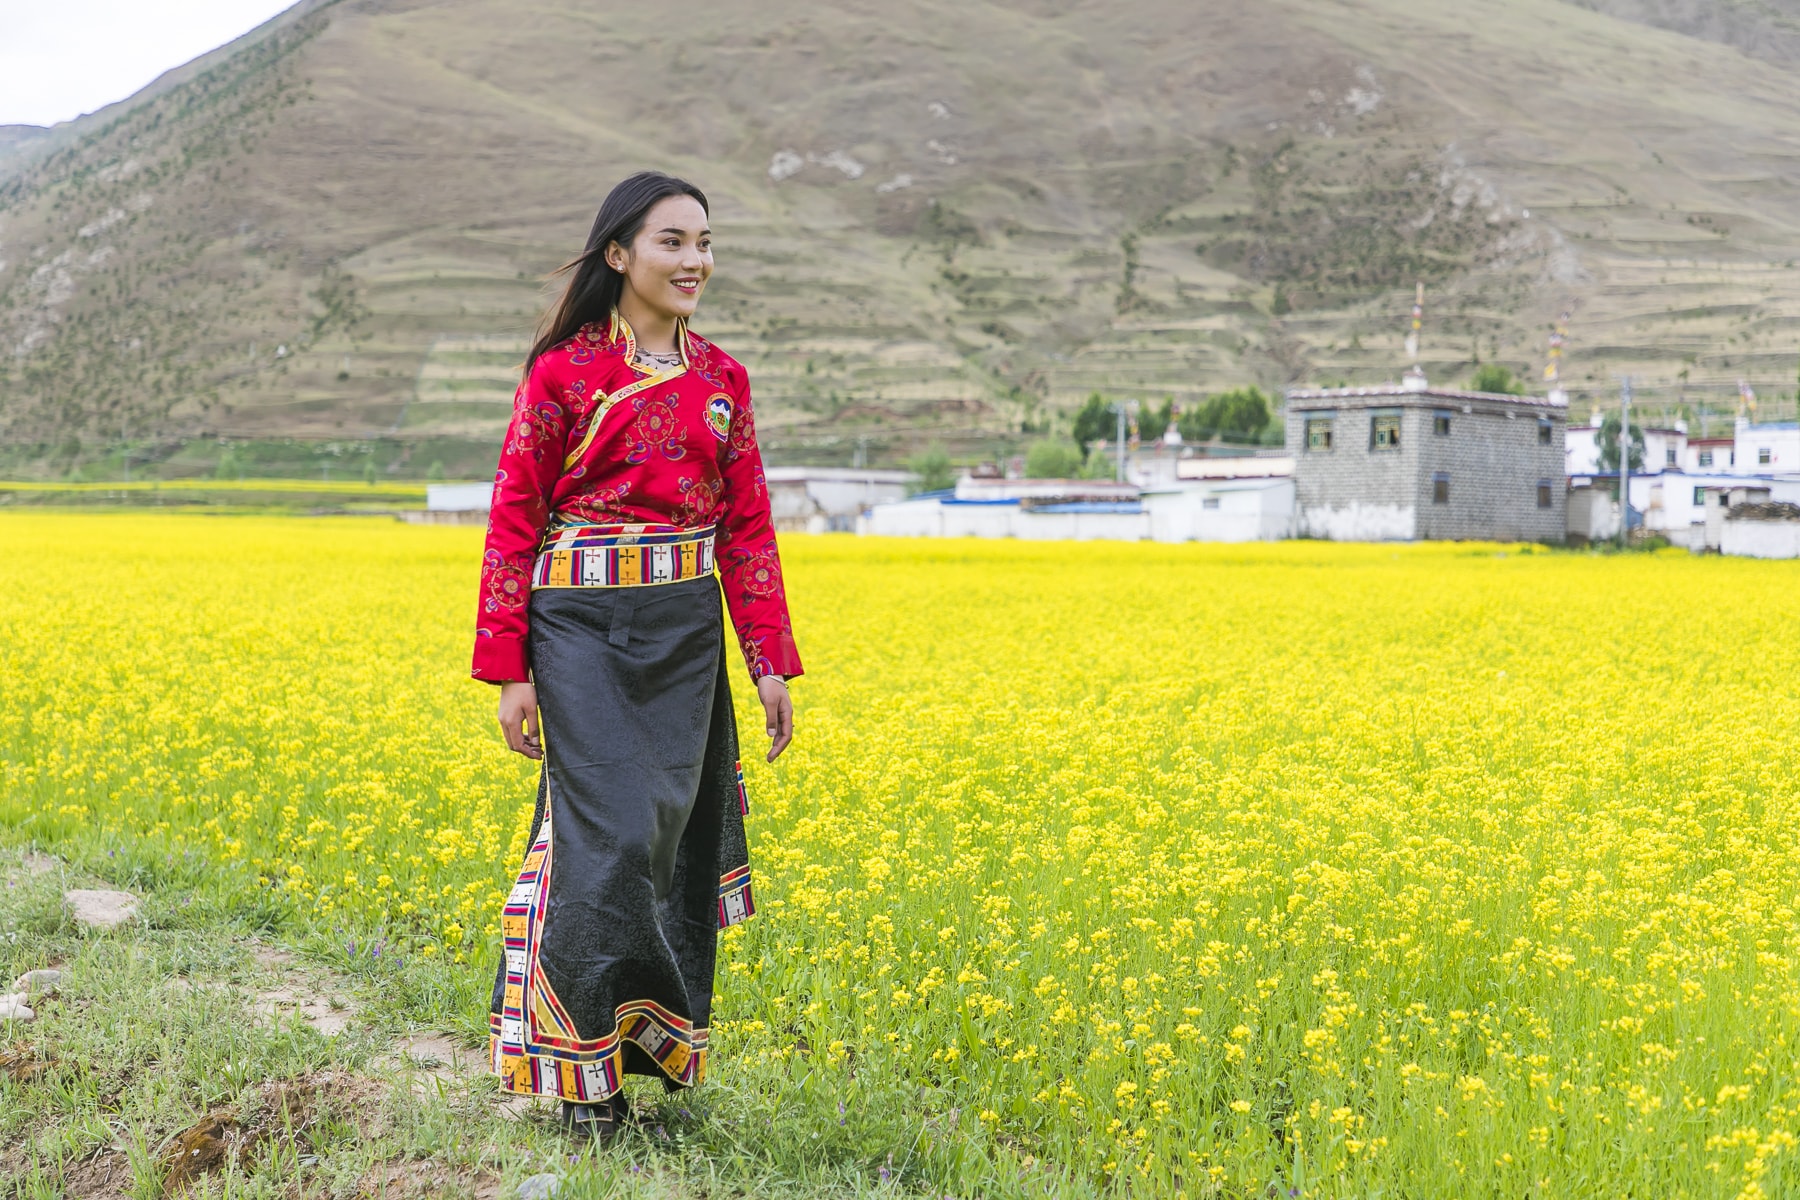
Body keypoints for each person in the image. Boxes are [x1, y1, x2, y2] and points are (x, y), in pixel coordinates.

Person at [471, 171, 802, 1142]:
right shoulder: (564, 376)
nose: (696, 260)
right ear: (619, 254)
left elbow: (747, 533)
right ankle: (580, 1083)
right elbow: (513, 519)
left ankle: (624, 1046)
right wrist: (511, 669)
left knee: (665, 846)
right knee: (609, 842)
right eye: (673, 241)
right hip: (577, 628)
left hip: (686, 636)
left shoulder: (724, 384)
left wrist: (770, 661)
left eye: (704, 242)